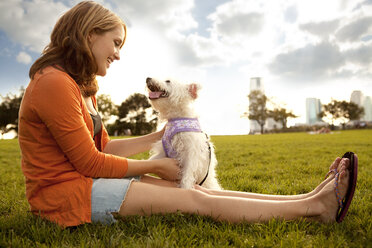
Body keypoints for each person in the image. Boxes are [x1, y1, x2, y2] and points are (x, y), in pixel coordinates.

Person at [18, 1, 357, 228]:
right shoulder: (54, 84)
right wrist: (156, 165)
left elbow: (105, 148)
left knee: (201, 191)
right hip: (64, 197)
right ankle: (315, 209)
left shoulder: (81, 87)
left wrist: (160, 134)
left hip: (89, 183)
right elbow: (91, 163)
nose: (118, 55)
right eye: (116, 43)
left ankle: (310, 198)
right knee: (194, 198)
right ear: (90, 34)